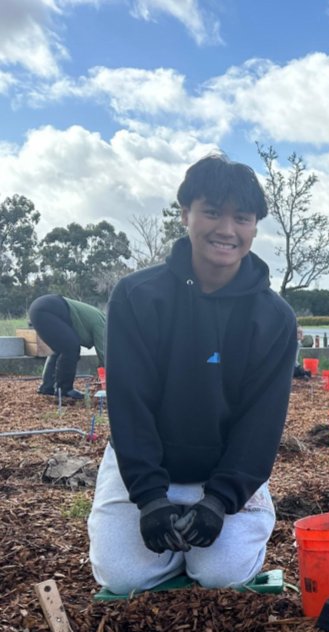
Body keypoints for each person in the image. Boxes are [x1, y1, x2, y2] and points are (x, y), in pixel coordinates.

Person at [87, 153, 298, 595]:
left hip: (222, 470)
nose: (227, 229)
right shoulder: (136, 296)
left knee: (222, 576)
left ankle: (233, 520)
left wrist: (220, 500)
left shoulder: (274, 318)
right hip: (146, 467)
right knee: (123, 578)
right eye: (212, 212)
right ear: (185, 213)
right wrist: (149, 497)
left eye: (241, 218)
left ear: (255, 227)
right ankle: (165, 541)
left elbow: (261, 423)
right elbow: (129, 404)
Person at [28, 294, 106, 400]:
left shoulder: (102, 319)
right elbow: (105, 357)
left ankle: (47, 387)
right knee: (71, 349)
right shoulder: (103, 325)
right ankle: (65, 390)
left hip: (40, 308)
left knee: (61, 349)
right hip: (48, 309)